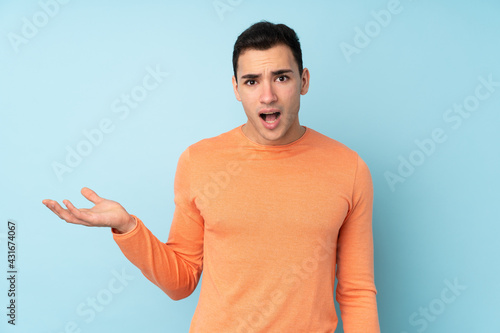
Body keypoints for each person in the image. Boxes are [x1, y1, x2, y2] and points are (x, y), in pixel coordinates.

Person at [43, 21, 380, 332]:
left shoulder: (348, 168)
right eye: (252, 81)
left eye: (281, 77)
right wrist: (128, 228)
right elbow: (181, 282)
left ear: (303, 81)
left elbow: (357, 292)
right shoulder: (199, 161)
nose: (267, 96)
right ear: (236, 88)